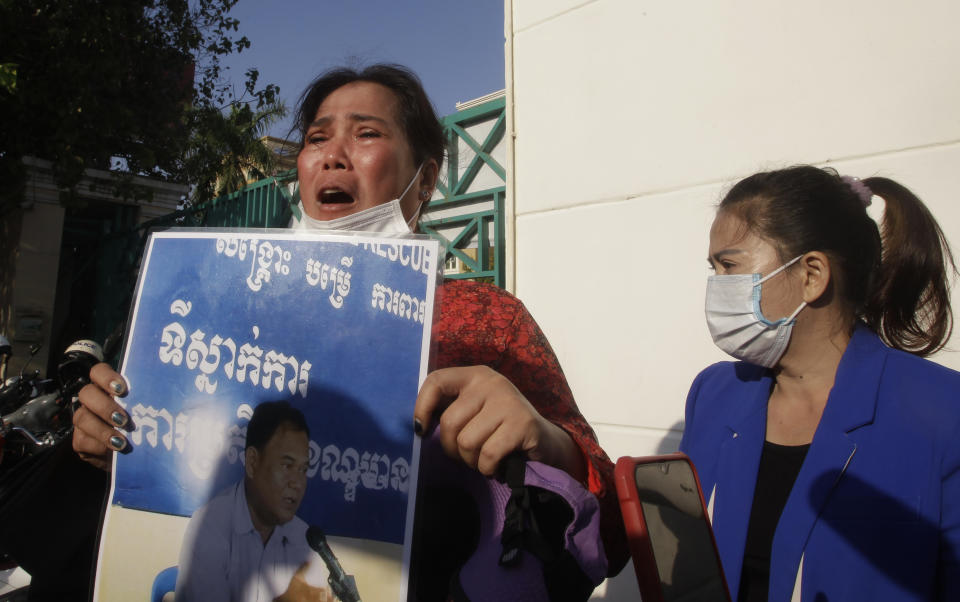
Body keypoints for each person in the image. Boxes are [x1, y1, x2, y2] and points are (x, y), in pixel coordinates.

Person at [73, 64, 628, 596]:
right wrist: (118, 439)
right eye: (316, 139)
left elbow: (611, 533)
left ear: (426, 178)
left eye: (366, 134)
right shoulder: (220, 307)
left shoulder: (486, 319)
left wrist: (545, 441)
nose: (333, 157)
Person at [680, 165, 960, 602]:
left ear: (811, 275)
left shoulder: (942, 410)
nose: (717, 286)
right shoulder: (715, 393)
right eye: (713, 268)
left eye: (729, 265)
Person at [174, 401, 333, 602]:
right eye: (286, 466)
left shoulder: (304, 538)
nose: (298, 483)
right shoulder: (210, 525)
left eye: (303, 470)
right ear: (252, 462)